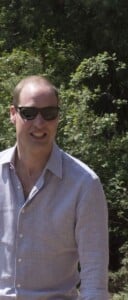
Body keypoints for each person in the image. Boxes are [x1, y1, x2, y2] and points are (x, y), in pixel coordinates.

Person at [0, 75, 109, 299]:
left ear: (58, 117)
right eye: (29, 113)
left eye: (49, 113)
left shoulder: (84, 184)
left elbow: (94, 278)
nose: (39, 123)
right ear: (13, 114)